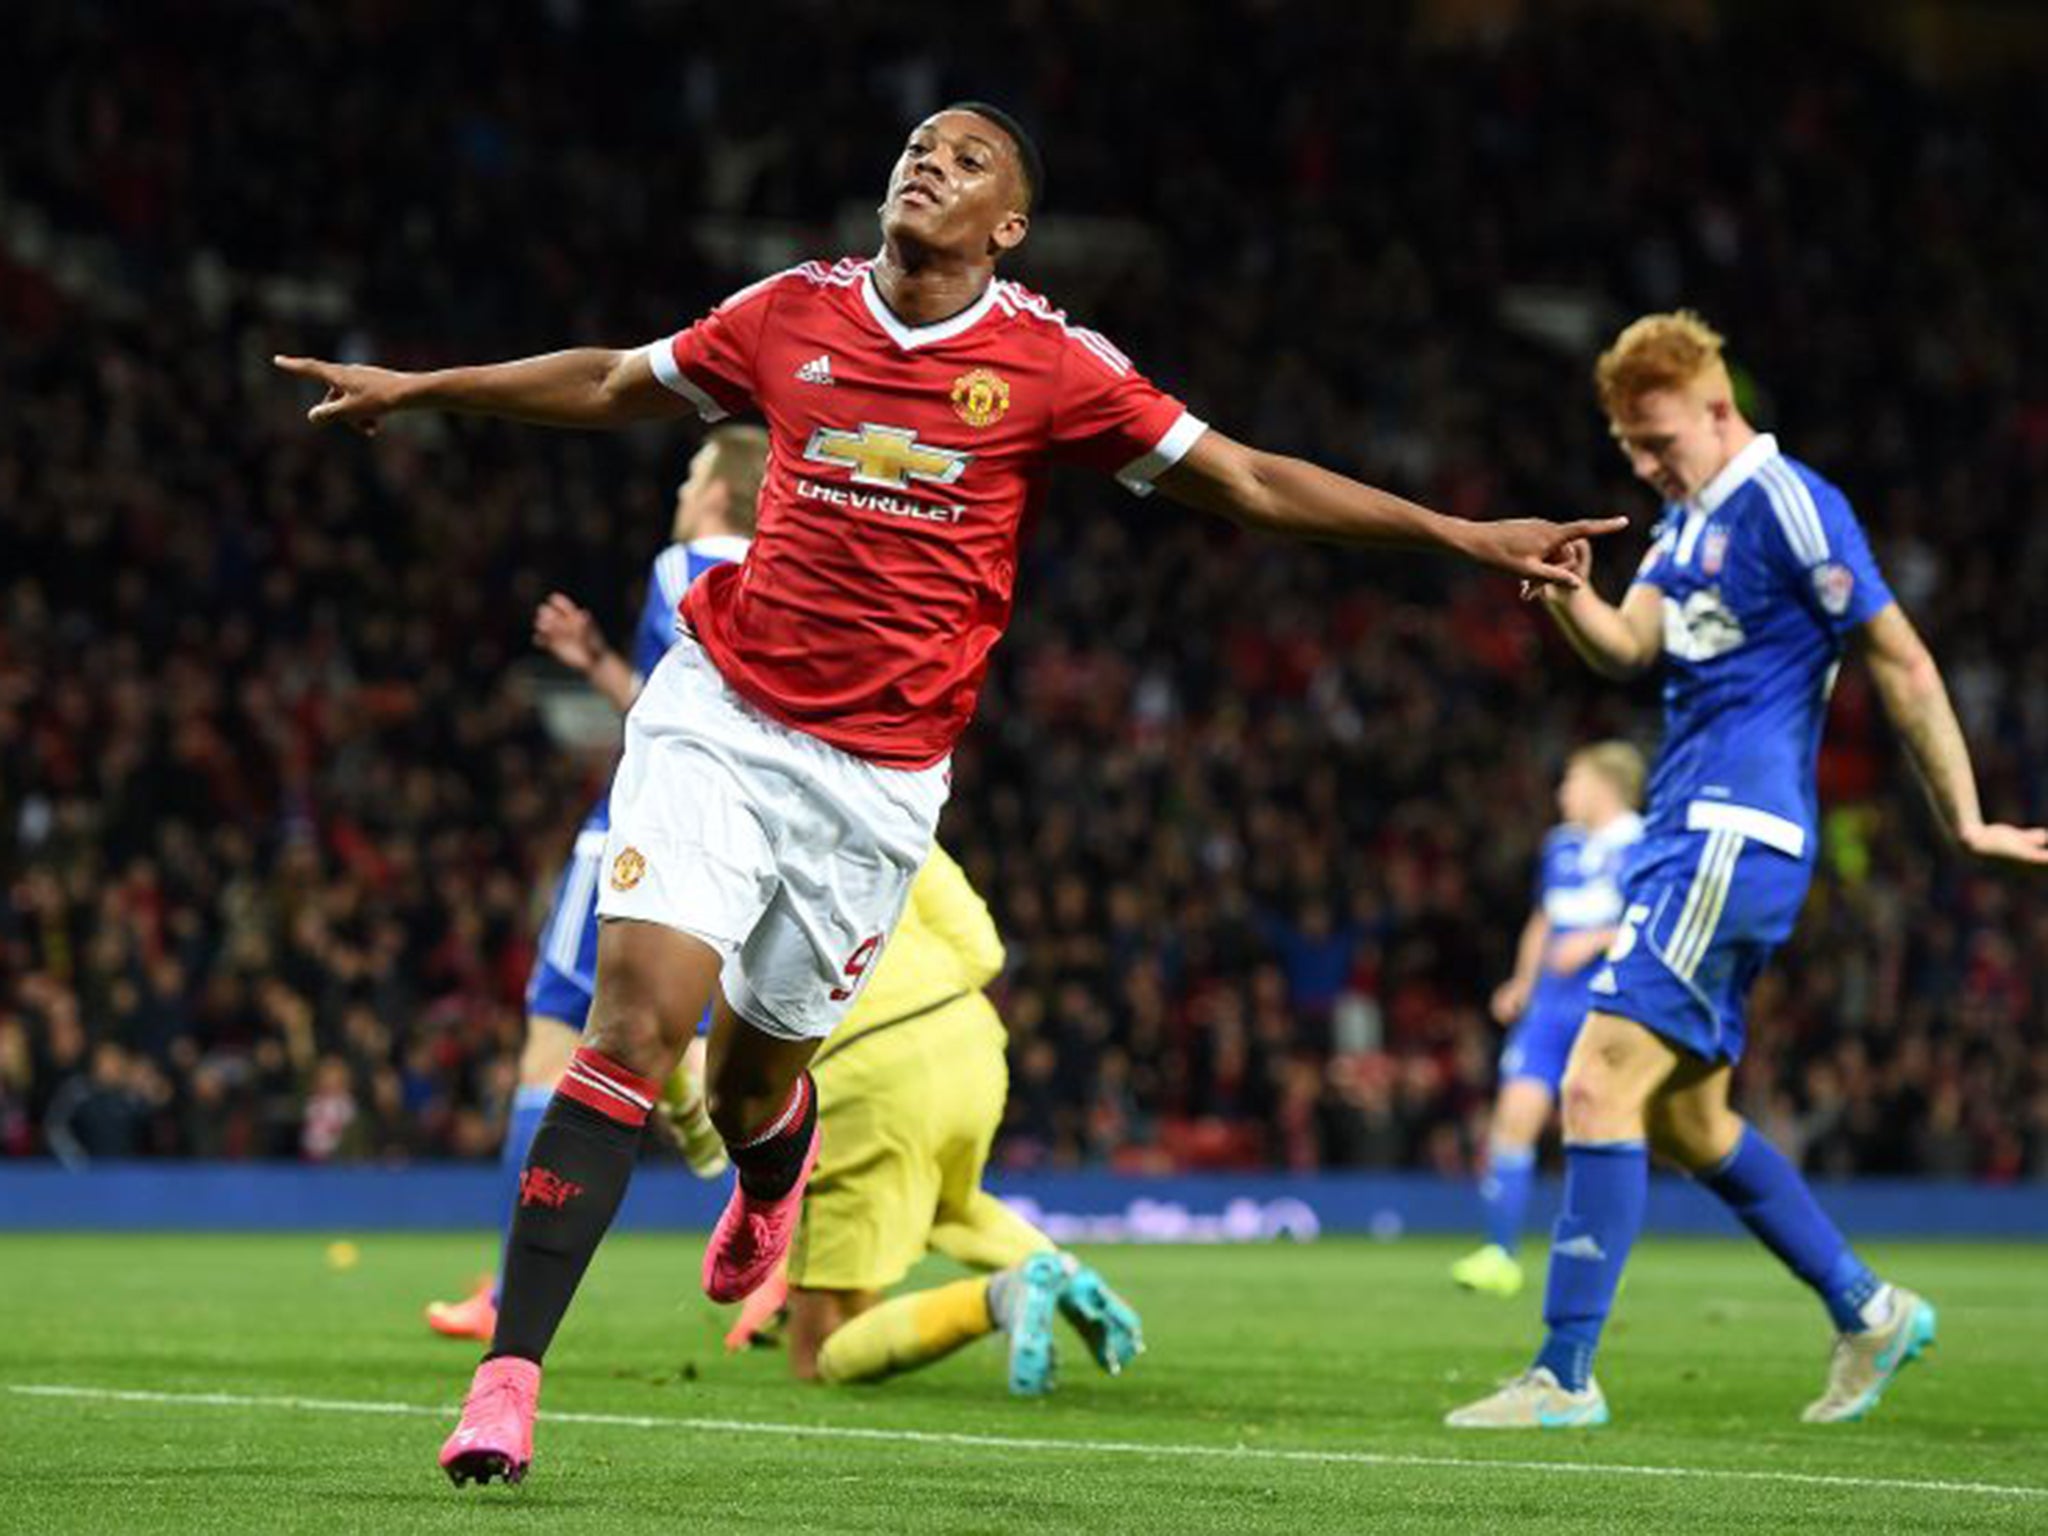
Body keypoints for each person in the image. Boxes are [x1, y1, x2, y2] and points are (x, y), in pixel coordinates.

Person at [276, 101, 1625, 1487]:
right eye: (921, 146)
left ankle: (772, 1158)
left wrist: (1462, 535)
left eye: (970, 160)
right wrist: (424, 387)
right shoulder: (790, 311)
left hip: (876, 788)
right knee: (628, 1026)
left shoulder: (1049, 361)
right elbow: (621, 380)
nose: (932, 163)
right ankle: (509, 1382)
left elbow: (1246, 478)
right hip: (719, 714)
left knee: (750, 1083)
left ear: (1010, 226)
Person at [1446, 312, 2048, 1431]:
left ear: (1719, 411)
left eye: (1656, 440)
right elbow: (1629, 650)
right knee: (1682, 1124)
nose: (1640, 463)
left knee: (1592, 1081)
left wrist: (1964, 823)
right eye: (1625, 445)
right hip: (1688, 832)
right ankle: (1867, 1310)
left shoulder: (1789, 505)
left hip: (1733, 830)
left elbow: (1900, 660)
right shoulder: (1685, 523)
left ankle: (1562, 1375)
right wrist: (1567, 592)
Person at [425, 426, 766, 1342]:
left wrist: (610, 669)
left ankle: (507, 1294)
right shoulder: (795, 584)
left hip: (631, 840)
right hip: (733, 850)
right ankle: (780, 1262)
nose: (683, 486)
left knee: (550, 1054)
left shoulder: (684, 564)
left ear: (720, 493)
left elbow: (669, 709)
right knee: (710, 1067)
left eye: (693, 472)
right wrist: (600, 666)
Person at [716, 841, 1142, 1395]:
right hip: (967, 1043)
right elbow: (983, 951)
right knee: (946, 1206)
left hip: (860, 1070)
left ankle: (1001, 1295)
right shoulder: (883, 805)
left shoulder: (727, 817)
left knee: (818, 1352)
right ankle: (1057, 1270)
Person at [1451, 741, 1644, 1298]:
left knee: (1596, 1129)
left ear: (1604, 786)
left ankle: (1602, 1255)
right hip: (1549, 1008)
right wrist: (1521, 981)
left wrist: (1596, 940)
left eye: (1571, 781)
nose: (1562, 792)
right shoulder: (1560, 846)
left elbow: (1653, 920)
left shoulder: (1644, 845)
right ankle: (1499, 1255)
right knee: (1513, 1118)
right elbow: (1542, 919)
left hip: (1606, 1007)